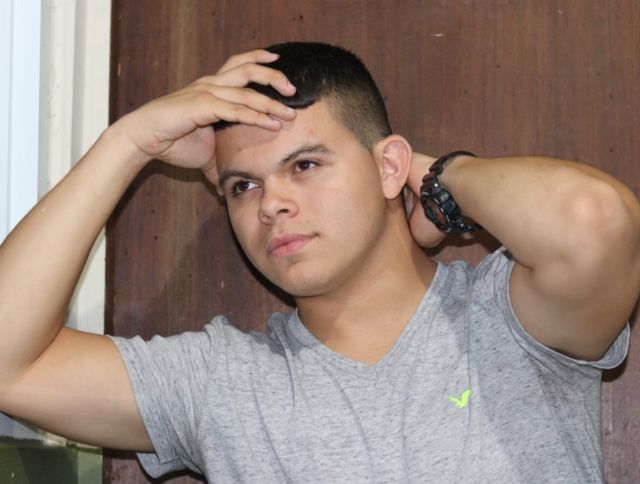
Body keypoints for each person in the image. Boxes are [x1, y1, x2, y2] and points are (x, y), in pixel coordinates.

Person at [0, 41, 638, 483]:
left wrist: (438, 179)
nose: (271, 203)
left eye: (304, 164)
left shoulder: (510, 322)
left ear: (387, 166)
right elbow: (10, 366)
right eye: (243, 186)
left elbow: (596, 221)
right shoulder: (223, 384)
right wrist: (129, 141)